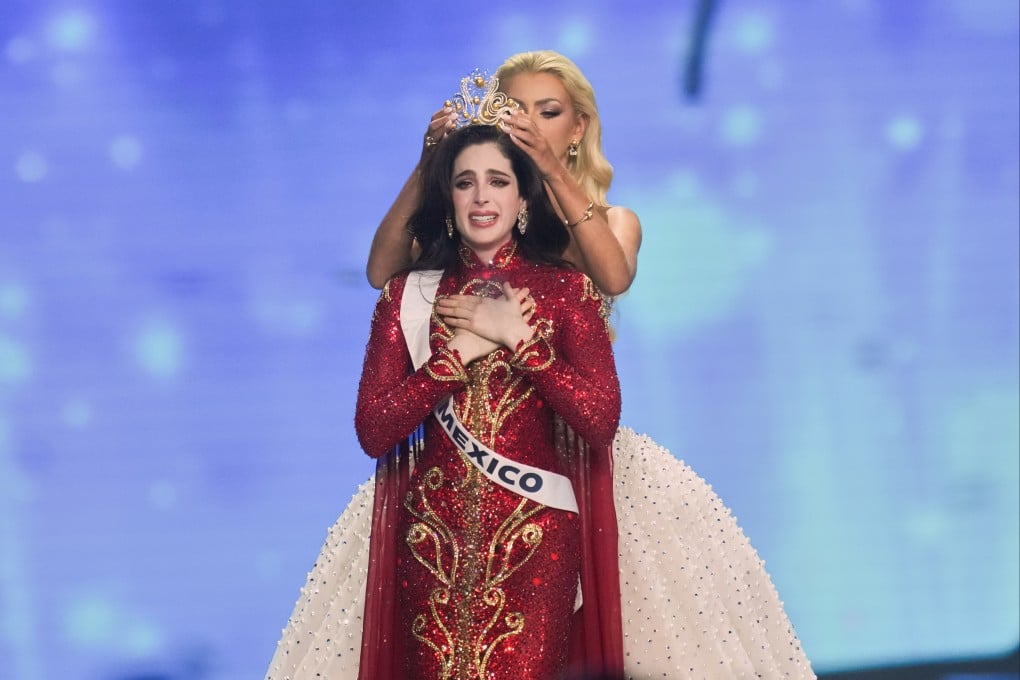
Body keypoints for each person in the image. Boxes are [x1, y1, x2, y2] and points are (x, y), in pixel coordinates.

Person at [267, 56, 816, 679]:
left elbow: (612, 278)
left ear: (577, 127)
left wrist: (544, 190)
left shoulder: (603, 228)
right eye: (514, 111)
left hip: (570, 465)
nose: (527, 125)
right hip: (448, 477)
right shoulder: (427, 277)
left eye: (545, 113)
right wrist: (429, 166)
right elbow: (380, 275)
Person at [268, 116, 624, 678]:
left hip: (536, 542)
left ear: (523, 197)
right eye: (465, 182)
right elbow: (373, 429)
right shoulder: (409, 294)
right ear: (449, 197)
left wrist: (521, 340)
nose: (482, 197)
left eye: (498, 181)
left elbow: (600, 421)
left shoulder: (565, 291)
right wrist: (454, 357)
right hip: (432, 543)